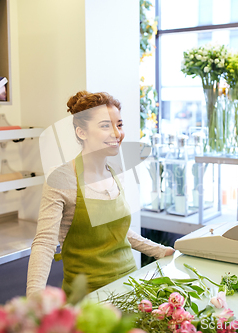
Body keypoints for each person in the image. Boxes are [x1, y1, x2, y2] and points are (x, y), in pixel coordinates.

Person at [27, 91, 174, 297]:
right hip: (87, 297)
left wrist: (161, 251)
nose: (116, 133)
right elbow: (44, 243)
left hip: (130, 287)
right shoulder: (61, 178)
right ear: (82, 132)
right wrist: (34, 298)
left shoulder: (115, 172)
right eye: (105, 125)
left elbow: (117, 230)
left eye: (119, 125)